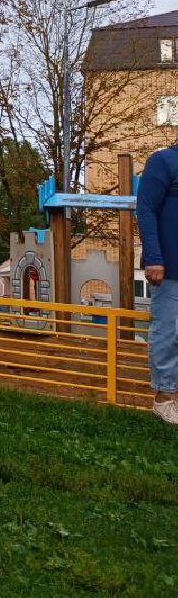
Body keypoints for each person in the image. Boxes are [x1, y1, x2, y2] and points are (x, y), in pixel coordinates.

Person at [137, 140, 178, 424]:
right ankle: (165, 399)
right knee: (169, 331)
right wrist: (154, 257)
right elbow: (146, 208)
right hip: (169, 267)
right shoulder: (163, 161)